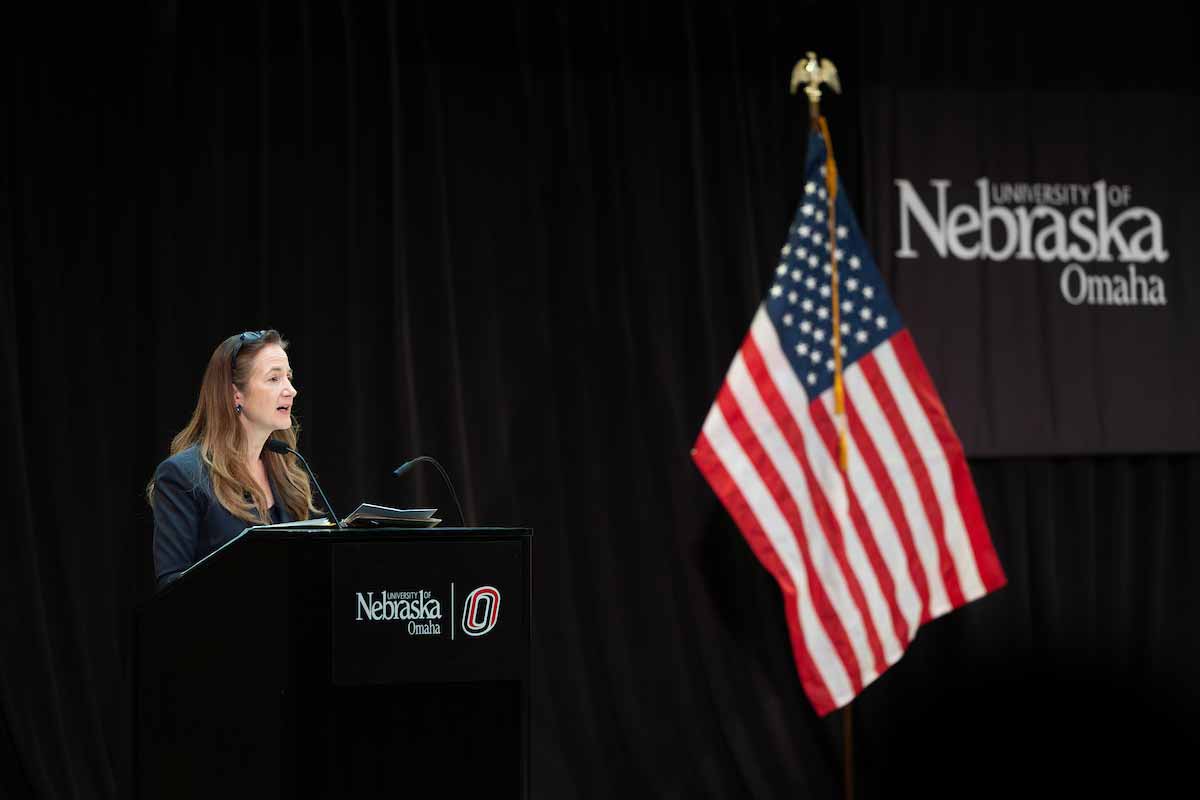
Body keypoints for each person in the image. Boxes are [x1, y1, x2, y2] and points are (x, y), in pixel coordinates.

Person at [148, 329, 319, 589]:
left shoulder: (288, 472)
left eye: (289, 377)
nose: (291, 390)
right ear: (235, 394)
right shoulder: (183, 475)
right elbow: (172, 586)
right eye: (274, 378)